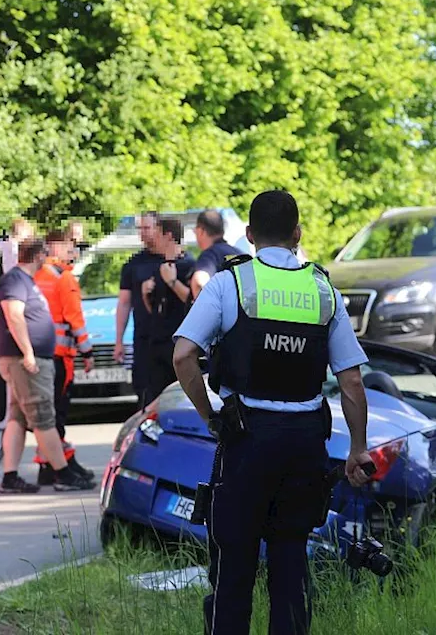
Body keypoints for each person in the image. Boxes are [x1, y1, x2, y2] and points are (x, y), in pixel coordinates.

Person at [171, 190, 374, 635]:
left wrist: (211, 415)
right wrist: (358, 449)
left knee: (233, 567)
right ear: (298, 234)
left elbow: (184, 355)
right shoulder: (323, 290)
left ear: (249, 235)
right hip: (304, 444)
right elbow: (352, 382)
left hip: (246, 441)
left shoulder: (232, 283)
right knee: (291, 561)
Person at [0, 237, 96, 494]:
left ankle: (10, 476)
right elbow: (14, 315)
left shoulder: (25, 280)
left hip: (30, 359)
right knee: (43, 418)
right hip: (27, 360)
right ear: (38, 255)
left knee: (18, 417)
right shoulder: (16, 280)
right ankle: (61, 474)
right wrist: (28, 352)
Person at [32, 230, 96, 485]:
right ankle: (61, 466)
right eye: (70, 247)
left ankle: (47, 466)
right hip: (60, 357)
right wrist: (87, 350)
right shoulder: (64, 278)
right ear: (55, 248)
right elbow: (75, 319)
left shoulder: (34, 276)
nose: (73, 251)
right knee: (56, 415)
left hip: (37, 354)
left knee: (45, 414)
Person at [137, 216, 196, 410]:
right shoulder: (160, 267)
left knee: (180, 397)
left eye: (158, 234)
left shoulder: (188, 265)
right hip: (157, 343)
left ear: (168, 236)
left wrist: (172, 282)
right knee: (154, 395)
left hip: (177, 343)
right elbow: (154, 310)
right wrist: (146, 295)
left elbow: (193, 301)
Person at [113, 212, 171, 408]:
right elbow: (124, 303)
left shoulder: (174, 259)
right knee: (145, 391)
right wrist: (119, 340)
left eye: (147, 228)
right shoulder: (133, 265)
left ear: (159, 229)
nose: (142, 233)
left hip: (171, 337)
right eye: (140, 229)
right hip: (144, 339)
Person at [190, 209, 243, 298]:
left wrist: (208, 309)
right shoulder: (239, 253)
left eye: (196, 230)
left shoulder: (209, 255)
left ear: (202, 231)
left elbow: (199, 281)